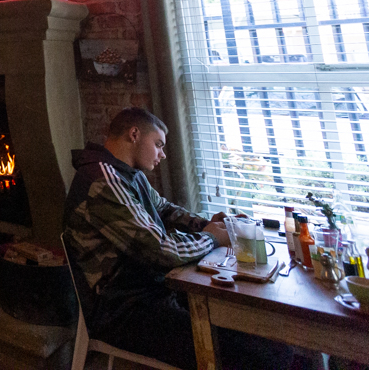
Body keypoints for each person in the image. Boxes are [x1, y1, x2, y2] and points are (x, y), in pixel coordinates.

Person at [62, 107, 295, 370]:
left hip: (152, 289)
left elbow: (163, 208)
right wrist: (211, 239)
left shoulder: (128, 174)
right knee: (254, 355)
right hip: (124, 310)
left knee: (255, 332)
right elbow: (162, 250)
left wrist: (207, 224)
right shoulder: (102, 181)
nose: (162, 154)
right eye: (158, 144)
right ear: (134, 134)